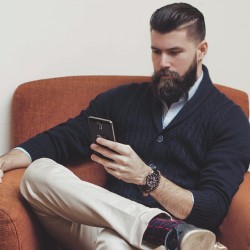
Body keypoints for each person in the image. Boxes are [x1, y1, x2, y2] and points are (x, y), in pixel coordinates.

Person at [0, 2, 249, 250]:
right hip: (110, 224)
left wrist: (145, 177)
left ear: (201, 49)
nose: (163, 63)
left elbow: (211, 209)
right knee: (37, 173)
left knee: (111, 244)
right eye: (156, 51)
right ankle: (159, 230)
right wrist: (8, 158)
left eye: (174, 52)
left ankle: (163, 232)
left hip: (179, 241)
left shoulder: (230, 120)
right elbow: (63, 139)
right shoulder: (122, 99)